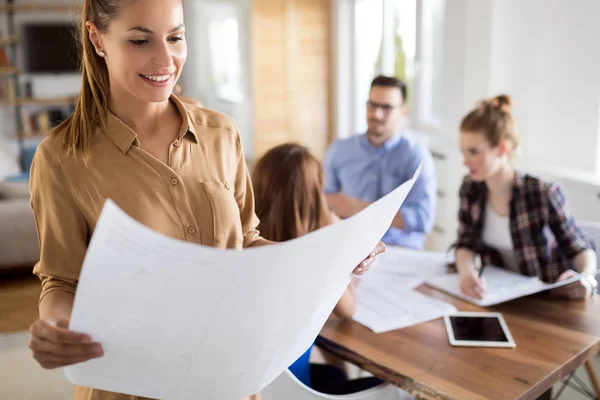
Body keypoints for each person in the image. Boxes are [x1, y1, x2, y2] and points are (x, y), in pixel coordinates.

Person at [26, 1, 384, 400]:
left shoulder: (222, 134)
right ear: (97, 38)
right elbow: (61, 281)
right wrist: (56, 326)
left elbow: (245, 242)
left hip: (229, 381)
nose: (166, 58)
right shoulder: (62, 157)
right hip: (131, 387)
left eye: (176, 37)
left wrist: (333, 256)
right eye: (141, 40)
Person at [252, 143, 384, 395]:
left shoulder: (244, 251)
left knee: (334, 373)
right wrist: (337, 232)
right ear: (313, 199)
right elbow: (348, 310)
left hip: (266, 390)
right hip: (298, 392)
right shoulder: (315, 258)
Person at [455, 94, 598, 300]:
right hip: (502, 298)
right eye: (463, 152)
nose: (465, 162)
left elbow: (580, 248)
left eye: (473, 152)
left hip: (550, 299)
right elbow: (465, 243)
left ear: (502, 149)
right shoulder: (470, 188)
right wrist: (467, 272)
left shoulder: (542, 192)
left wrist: (585, 277)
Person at [324, 75, 437, 250]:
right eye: (372, 105)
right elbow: (324, 203)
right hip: (352, 247)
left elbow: (422, 219)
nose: (376, 114)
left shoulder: (417, 156)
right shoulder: (339, 150)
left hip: (400, 249)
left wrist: (354, 207)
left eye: (386, 108)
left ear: (403, 112)